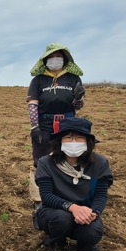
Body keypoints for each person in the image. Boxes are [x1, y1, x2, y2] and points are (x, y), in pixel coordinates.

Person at [34, 117, 112, 251]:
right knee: (62, 219)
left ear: (88, 142)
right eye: (68, 137)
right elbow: (46, 196)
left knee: (92, 232)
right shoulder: (46, 163)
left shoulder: (100, 163)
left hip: (85, 212)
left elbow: (101, 195)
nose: (74, 142)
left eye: (80, 137)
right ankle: (56, 242)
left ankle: (86, 246)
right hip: (54, 211)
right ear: (60, 141)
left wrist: (94, 213)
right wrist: (72, 207)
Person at [27, 43, 85, 207]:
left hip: (68, 123)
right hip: (45, 123)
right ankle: (40, 200)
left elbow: (78, 106)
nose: (54, 60)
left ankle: (69, 196)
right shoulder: (38, 80)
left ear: (65, 59)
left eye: (58, 56)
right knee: (41, 160)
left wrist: (79, 98)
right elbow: (32, 104)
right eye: (51, 57)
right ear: (45, 60)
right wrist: (34, 126)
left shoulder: (73, 78)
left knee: (70, 157)